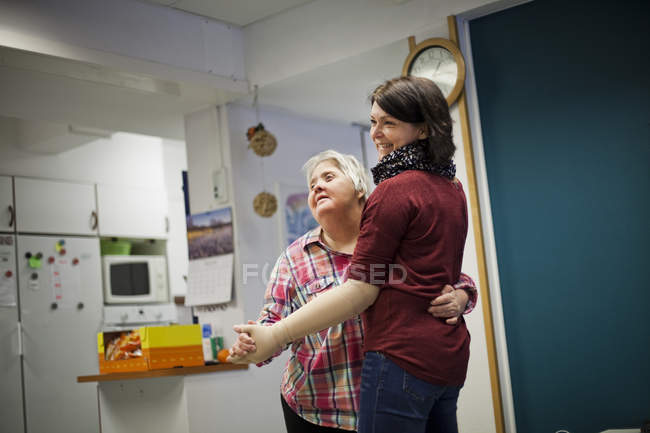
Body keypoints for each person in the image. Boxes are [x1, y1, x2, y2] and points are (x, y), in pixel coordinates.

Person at [229, 76, 472, 433]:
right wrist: (261, 339)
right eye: (374, 122)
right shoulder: (295, 258)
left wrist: (464, 293)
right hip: (318, 404)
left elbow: (388, 284)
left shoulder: (392, 197)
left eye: (328, 177)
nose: (377, 132)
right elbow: (271, 321)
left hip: (394, 375)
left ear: (361, 189)